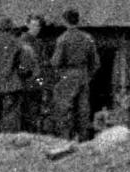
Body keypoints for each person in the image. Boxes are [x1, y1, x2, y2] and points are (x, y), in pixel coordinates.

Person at [50, 8, 100, 141]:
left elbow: (55, 62)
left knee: (64, 107)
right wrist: (88, 75)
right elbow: (96, 63)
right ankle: (84, 139)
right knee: (83, 108)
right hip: (83, 74)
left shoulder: (63, 39)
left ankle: (65, 139)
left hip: (68, 74)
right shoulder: (88, 38)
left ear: (65, 21)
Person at [19, 14, 57, 134]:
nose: (36, 28)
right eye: (33, 25)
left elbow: (44, 62)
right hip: (27, 79)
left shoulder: (39, 43)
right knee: (27, 109)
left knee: (36, 108)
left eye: (38, 26)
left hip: (37, 80)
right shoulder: (23, 41)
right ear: (28, 25)